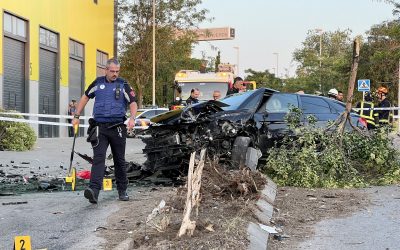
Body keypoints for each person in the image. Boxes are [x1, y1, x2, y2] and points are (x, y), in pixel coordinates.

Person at [72, 58, 137, 204]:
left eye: (117, 71)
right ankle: (93, 191)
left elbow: (133, 103)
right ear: (106, 70)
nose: (115, 74)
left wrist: (132, 118)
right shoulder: (97, 83)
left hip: (118, 127)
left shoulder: (124, 85)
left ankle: (122, 190)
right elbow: (85, 97)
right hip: (100, 128)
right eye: (112, 71)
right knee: (98, 158)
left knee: (119, 160)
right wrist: (77, 116)